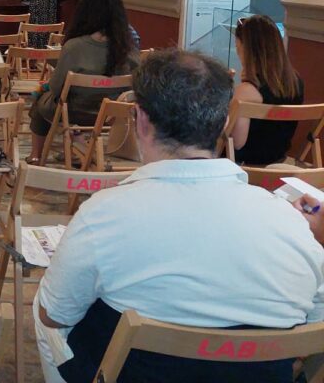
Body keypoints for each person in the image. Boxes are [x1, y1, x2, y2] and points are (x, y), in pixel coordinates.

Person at [34, 49, 324, 383]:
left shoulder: (102, 214)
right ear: (223, 123)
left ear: (141, 120)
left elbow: (55, 316)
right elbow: (315, 324)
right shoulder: (291, 224)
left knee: (44, 307)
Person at [27, 0, 139, 164]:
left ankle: (36, 155)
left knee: (41, 99)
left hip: (74, 111)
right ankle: (78, 144)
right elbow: (136, 84)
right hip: (112, 114)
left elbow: (56, 88)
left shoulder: (74, 46)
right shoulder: (127, 48)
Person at [231, 14, 305, 165]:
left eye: (238, 47)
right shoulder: (296, 82)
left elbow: (237, 143)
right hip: (278, 158)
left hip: (246, 165)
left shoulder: (246, 91)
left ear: (247, 50)